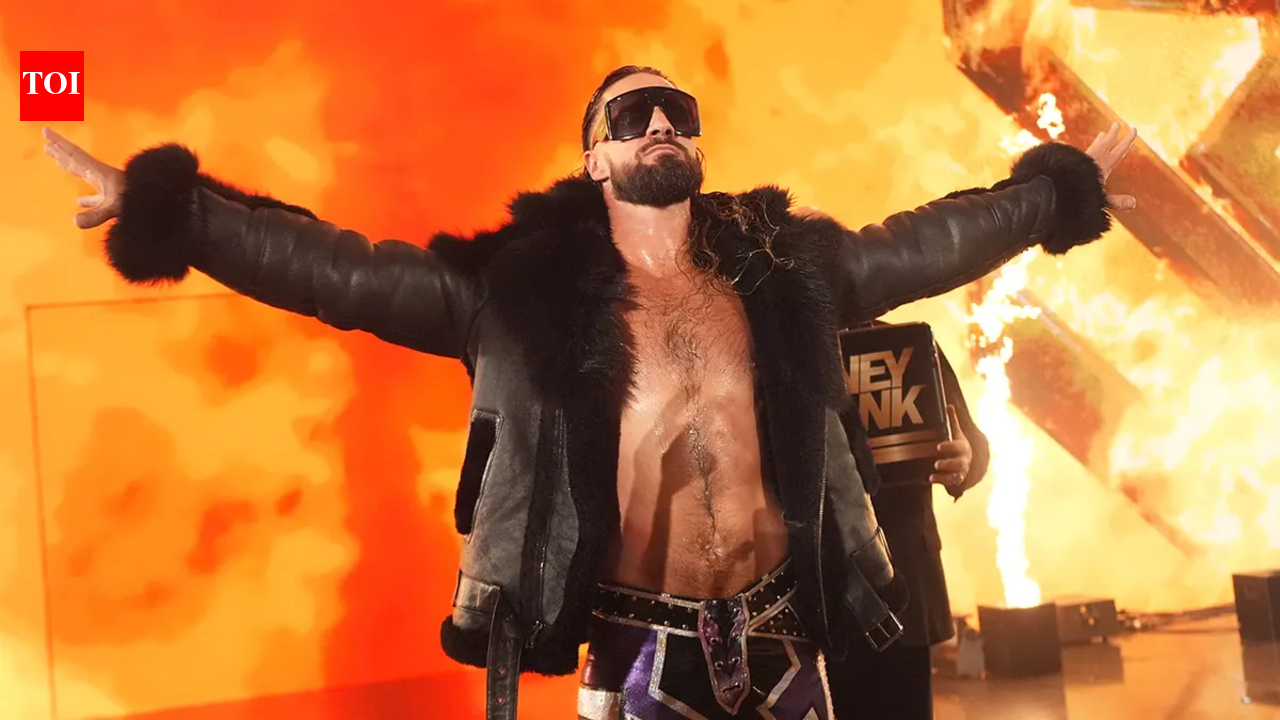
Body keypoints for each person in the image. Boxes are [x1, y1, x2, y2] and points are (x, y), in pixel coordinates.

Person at [40, 64, 1136, 720]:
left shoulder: (782, 271)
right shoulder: (517, 298)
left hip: (781, 635)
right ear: (595, 160)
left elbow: (927, 242)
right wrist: (179, 214)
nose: (659, 124)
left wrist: (1052, 196)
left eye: (675, 109)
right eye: (631, 114)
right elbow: (341, 272)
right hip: (637, 647)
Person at [827, 321, 990, 720]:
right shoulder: (773, 340)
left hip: (902, 577)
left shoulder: (902, 342)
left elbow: (970, 440)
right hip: (812, 588)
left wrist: (965, 458)